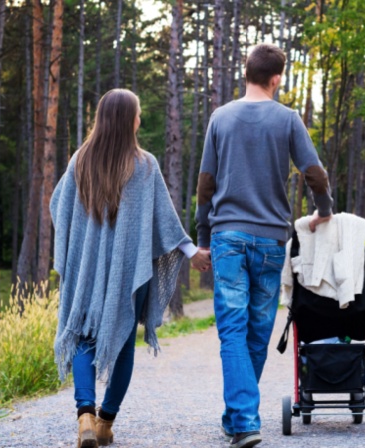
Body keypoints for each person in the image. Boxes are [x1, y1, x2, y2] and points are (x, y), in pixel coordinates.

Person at [50, 89, 211, 448]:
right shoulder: (145, 165)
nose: (140, 120)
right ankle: (105, 423)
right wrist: (191, 252)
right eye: (138, 114)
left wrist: (81, 247)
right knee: (123, 345)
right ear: (128, 121)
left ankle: (85, 417)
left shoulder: (79, 161)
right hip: (128, 275)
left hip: (88, 273)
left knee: (83, 339)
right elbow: (165, 221)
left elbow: (57, 205)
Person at [195, 43, 333, 448]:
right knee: (256, 328)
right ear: (277, 78)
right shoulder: (288, 119)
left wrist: (203, 239)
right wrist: (323, 210)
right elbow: (315, 174)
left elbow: (206, 185)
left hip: (228, 238)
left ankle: (240, 418)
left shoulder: (221, 117)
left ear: (246, 73)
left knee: (233, 329)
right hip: (272, 240)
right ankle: (241, 417)